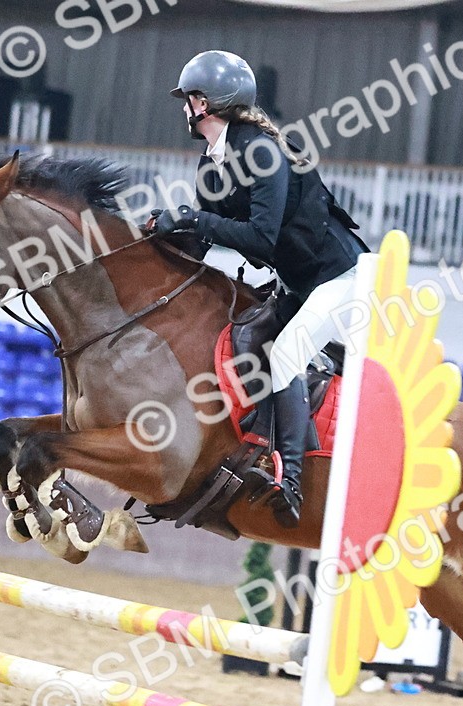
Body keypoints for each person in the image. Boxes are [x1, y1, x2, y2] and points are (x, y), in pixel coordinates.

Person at [155, 50, 368, 528]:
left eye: (188, 99)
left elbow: (260, 237)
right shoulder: (211, 166)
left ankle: (289, 480)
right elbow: (207, 234)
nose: (184, 108)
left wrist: (194, 217)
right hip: (300, 283)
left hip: (343, 277)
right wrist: (158, 233)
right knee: (250, 339)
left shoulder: (261, 151)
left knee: (288, 352)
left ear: (207, 102)